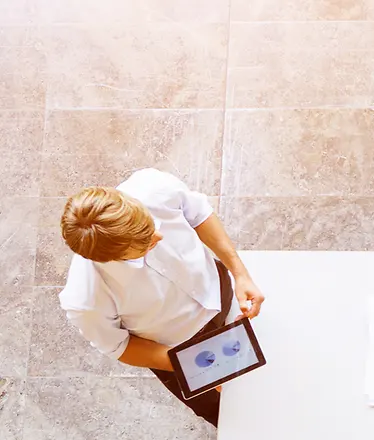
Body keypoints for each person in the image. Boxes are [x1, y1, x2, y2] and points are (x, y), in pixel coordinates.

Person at [58, 168, 264, 426]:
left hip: (221, 294)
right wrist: (195, 367)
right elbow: (121, 347)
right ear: (112, 258)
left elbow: (198, 214)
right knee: (237, 419)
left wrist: (240, 273)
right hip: (177, 350)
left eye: (150, 224)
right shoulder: (85, 299)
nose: (159, 235)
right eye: (146, 243)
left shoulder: (151, 186)